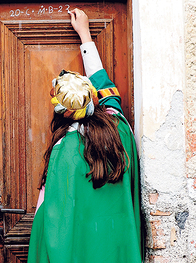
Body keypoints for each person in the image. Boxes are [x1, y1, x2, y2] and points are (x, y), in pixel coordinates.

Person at [27, 9, 142, 263]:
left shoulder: (63, 150)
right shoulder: (119, 128)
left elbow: (49, 218)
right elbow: (108, 92)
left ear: (63, 113)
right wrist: (85, 36)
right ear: (92, 98)